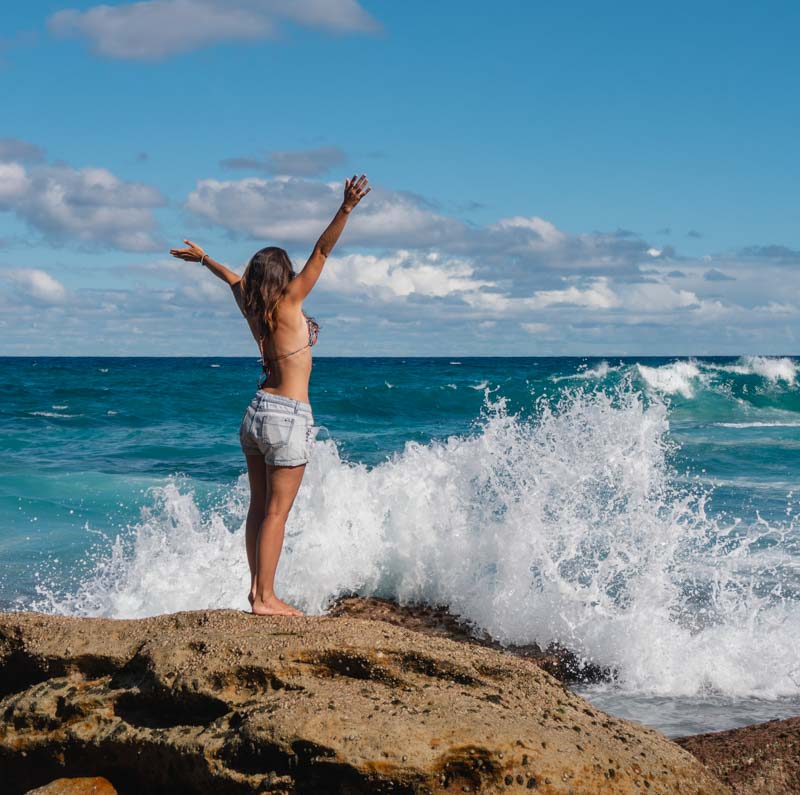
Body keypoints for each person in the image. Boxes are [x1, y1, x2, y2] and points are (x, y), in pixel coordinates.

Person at [170, 174, 371, 615]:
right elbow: (322, 250)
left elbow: (231, 279)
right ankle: (265, 598)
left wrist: (204, 258)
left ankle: (257, 591)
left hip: (256, 414)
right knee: (277, 513)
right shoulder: (291, 301)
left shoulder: (252, 305)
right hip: (286, 416)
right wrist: (346, 208)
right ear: (285, 275)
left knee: (258, 507)